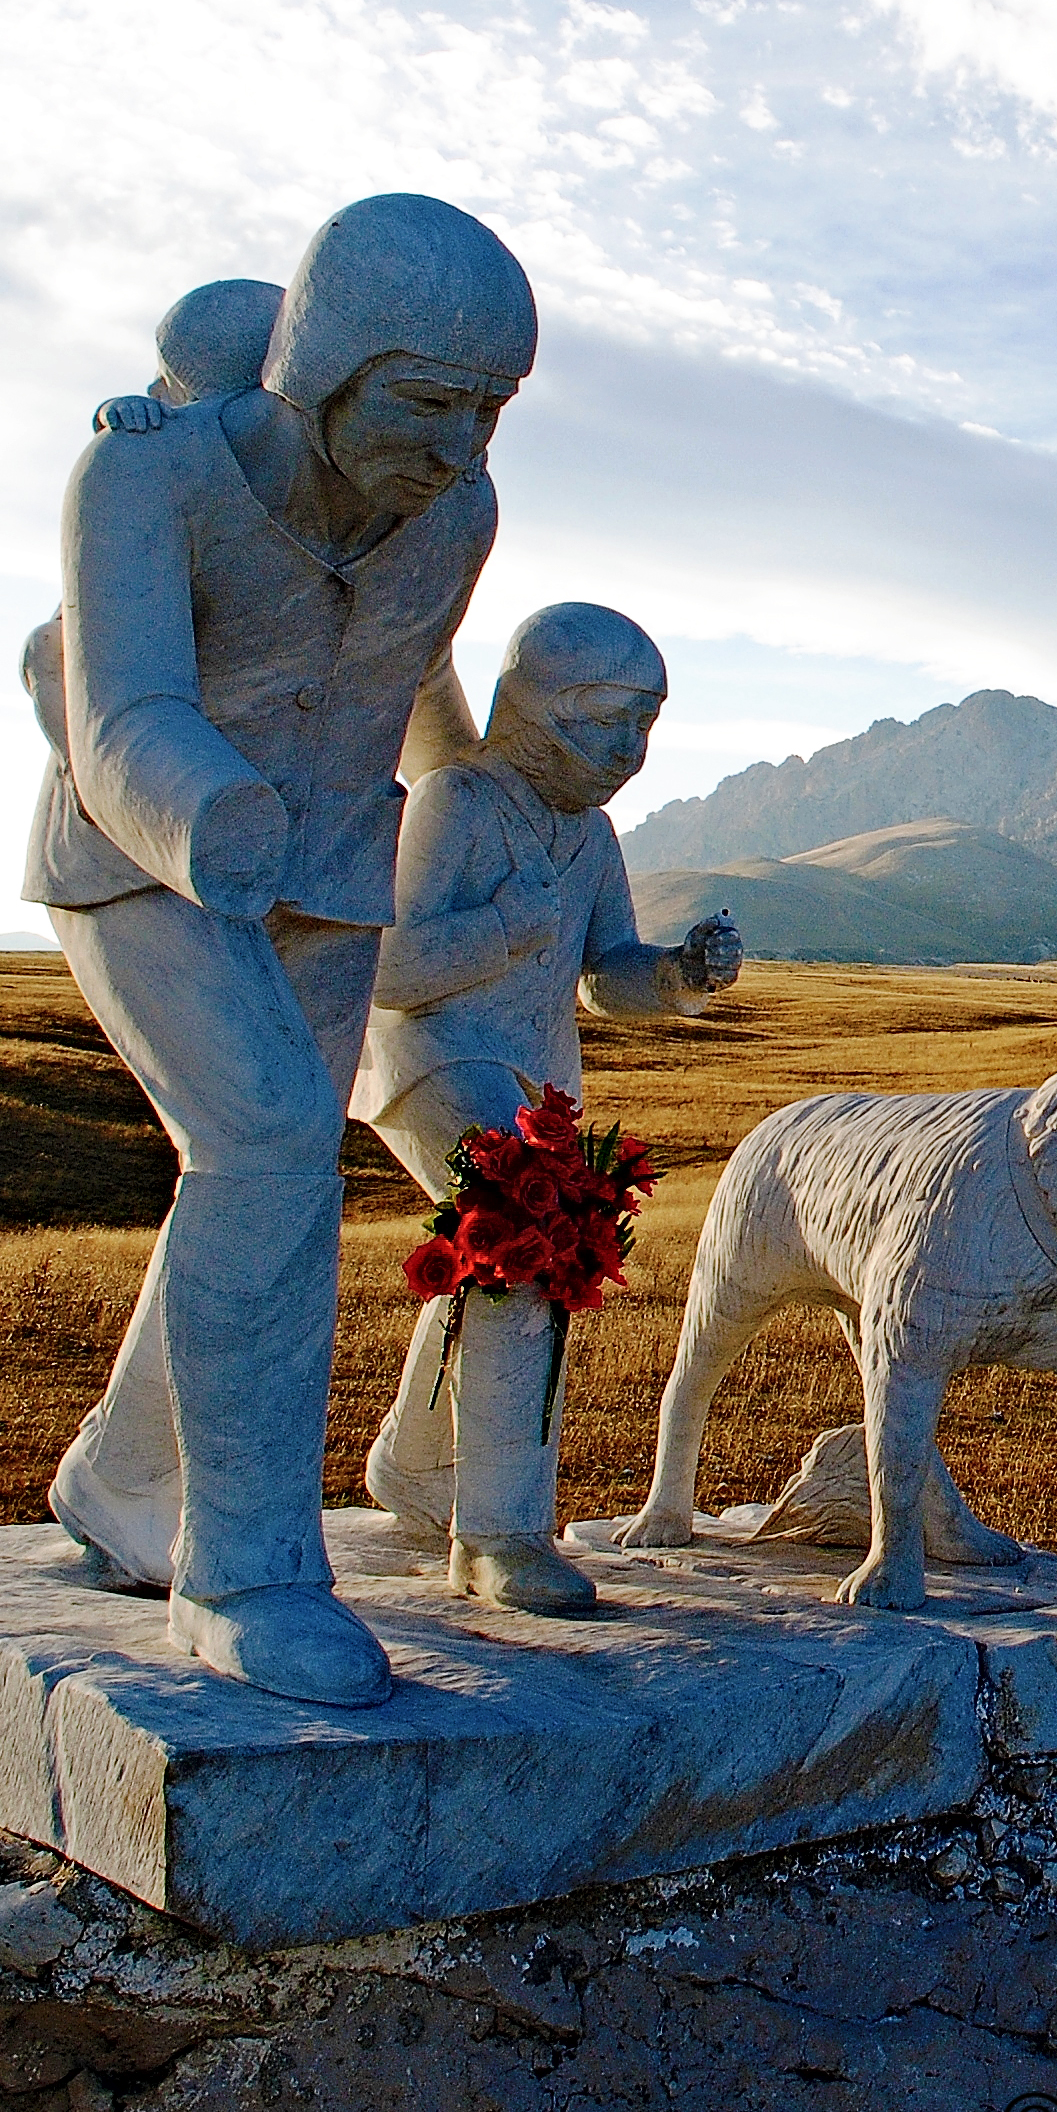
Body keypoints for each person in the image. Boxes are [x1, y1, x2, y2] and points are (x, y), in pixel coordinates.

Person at [25, 193, 529, 1707]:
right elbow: (120, 716)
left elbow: (407, 670)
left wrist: (489, 783)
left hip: (329, 887)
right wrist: (205, 819)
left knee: (250, 1171)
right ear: (326, 367)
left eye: (491, 414)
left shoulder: (460, 516)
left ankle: (121, 1481)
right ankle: (244, 1574)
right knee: (259, 1149)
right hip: (144, 861)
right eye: (431, 404)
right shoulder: (141, 481)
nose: (459, 450)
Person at [353, 603, 740, 1614]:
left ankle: (413, 1464)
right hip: (434, 1057)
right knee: (527, 1240)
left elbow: (602, 973)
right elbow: (390, 971)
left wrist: (678, 977)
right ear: (534, 709)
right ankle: (499, 1535)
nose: (626, 750)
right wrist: (508, 923)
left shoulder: (589, 832)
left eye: (641, 728)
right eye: (605, 722)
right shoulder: (456, 801)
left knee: (489, 1257)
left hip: (531, 1077)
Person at [24, 279, 287, 754]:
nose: (152, 391)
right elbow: (117, 425)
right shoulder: (162, 445)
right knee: (47, 649)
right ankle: (82, 768)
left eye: (166, 383)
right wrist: (115, 412)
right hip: (135, 631)